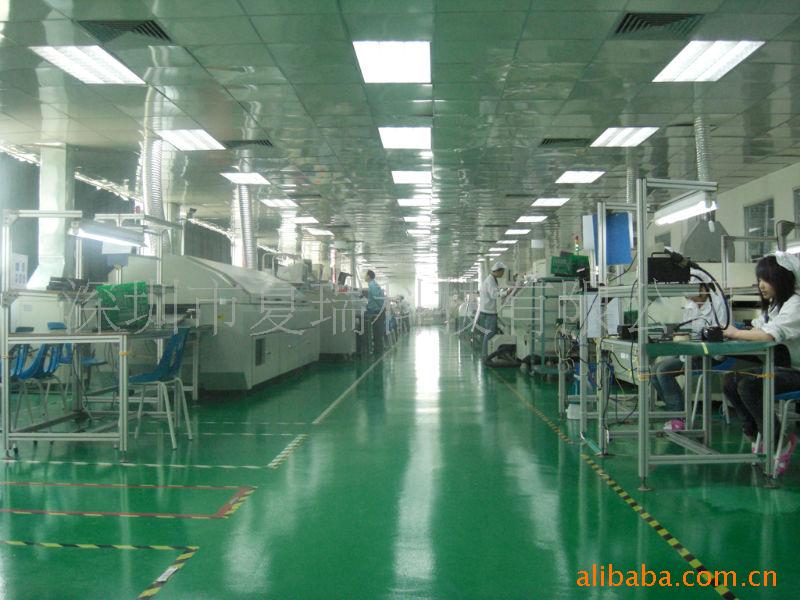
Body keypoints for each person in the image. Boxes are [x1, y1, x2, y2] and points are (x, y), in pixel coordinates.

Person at [723, 253, 800, 474]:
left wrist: (735, 333)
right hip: (781, 368)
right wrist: (742, 331)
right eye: (759, 280)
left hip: (796, 372)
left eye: (766, 279)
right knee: (730, 381)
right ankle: (755, 432)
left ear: (782, 279)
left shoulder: (796, 304)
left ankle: (779, 442)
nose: (761, 285)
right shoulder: (777, 305)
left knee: (749, 386)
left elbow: (769, 334)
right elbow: (761, 327)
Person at [653, 269, 728, 431]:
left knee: (663, 370)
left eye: (690, 290)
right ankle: (676, 411)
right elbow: (687, 331)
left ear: (702, 288)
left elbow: (721, 336)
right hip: (691, 352)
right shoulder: (691, 306)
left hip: (711, 356)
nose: (688, 296)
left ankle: (679, 418)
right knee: (654, 370)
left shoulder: (718, 305)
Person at [477, 261, 508, 363]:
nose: (503, 274)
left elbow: (495, 292)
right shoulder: (490, 281)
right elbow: (494, 295)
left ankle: (487, 354)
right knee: (489, 334)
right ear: (497, 271)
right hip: (489, 312)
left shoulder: (492, 279)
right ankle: (485, 356)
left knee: (489, 334)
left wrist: (503, 292)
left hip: (488, 310)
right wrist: (507, 292)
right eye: (502, 272)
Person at [364, 270, 385, 354]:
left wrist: (380, 309)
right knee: (377, 332)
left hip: (377, 311)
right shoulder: (373, 284)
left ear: (368, 276)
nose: (364, 276)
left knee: (377, 332)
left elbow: (377, 298)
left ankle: (378, 351)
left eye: (365, 275)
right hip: (377, 310)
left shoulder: (372, 285)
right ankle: (378, 350)